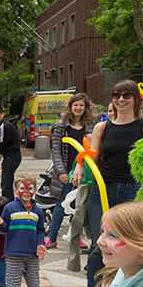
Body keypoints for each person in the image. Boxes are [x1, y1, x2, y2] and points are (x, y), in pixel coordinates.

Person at [81, 81, 143, 287]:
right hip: (103, 189)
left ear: (136, 99)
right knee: (98, 242)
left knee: (129, 243)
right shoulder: (102, 128)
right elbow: (92, 157)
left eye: (126, 95)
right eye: (116, 95)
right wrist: (79, 167)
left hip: (131, 189)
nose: (121, 100)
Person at [0, 173, 46, 287]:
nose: (26, 192)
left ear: (35, 190)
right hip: (13, 254)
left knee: (34, 283)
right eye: (22, 188)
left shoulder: (38, 211)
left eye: (30, 188)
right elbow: (4, 229)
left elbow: (40, 230)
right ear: (15, 189)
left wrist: (40, 243)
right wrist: (0, 224)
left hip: (32, 255)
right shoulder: (10, 208)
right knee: (13, 284)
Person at [48, 93, 96, 249]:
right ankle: (52, 237)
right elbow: (56, 151)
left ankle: (76, 236)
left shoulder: (91, 126)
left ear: (86, 107)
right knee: (61, 204)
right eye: (75, 105)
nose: (78, 108)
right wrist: (61, 172)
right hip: (66, 172)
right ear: (70, 107)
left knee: (79, 206)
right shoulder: (61, 126)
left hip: (84, 173)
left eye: (81, 105)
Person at [0, 106, 21, 200]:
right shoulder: (1, 126)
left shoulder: (4, 126)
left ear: (2, 114)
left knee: (6, 184)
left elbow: (3, 145)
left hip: (12, 157)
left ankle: (8, 205)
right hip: (10, 156)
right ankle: (8, 203)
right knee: (6, 183)